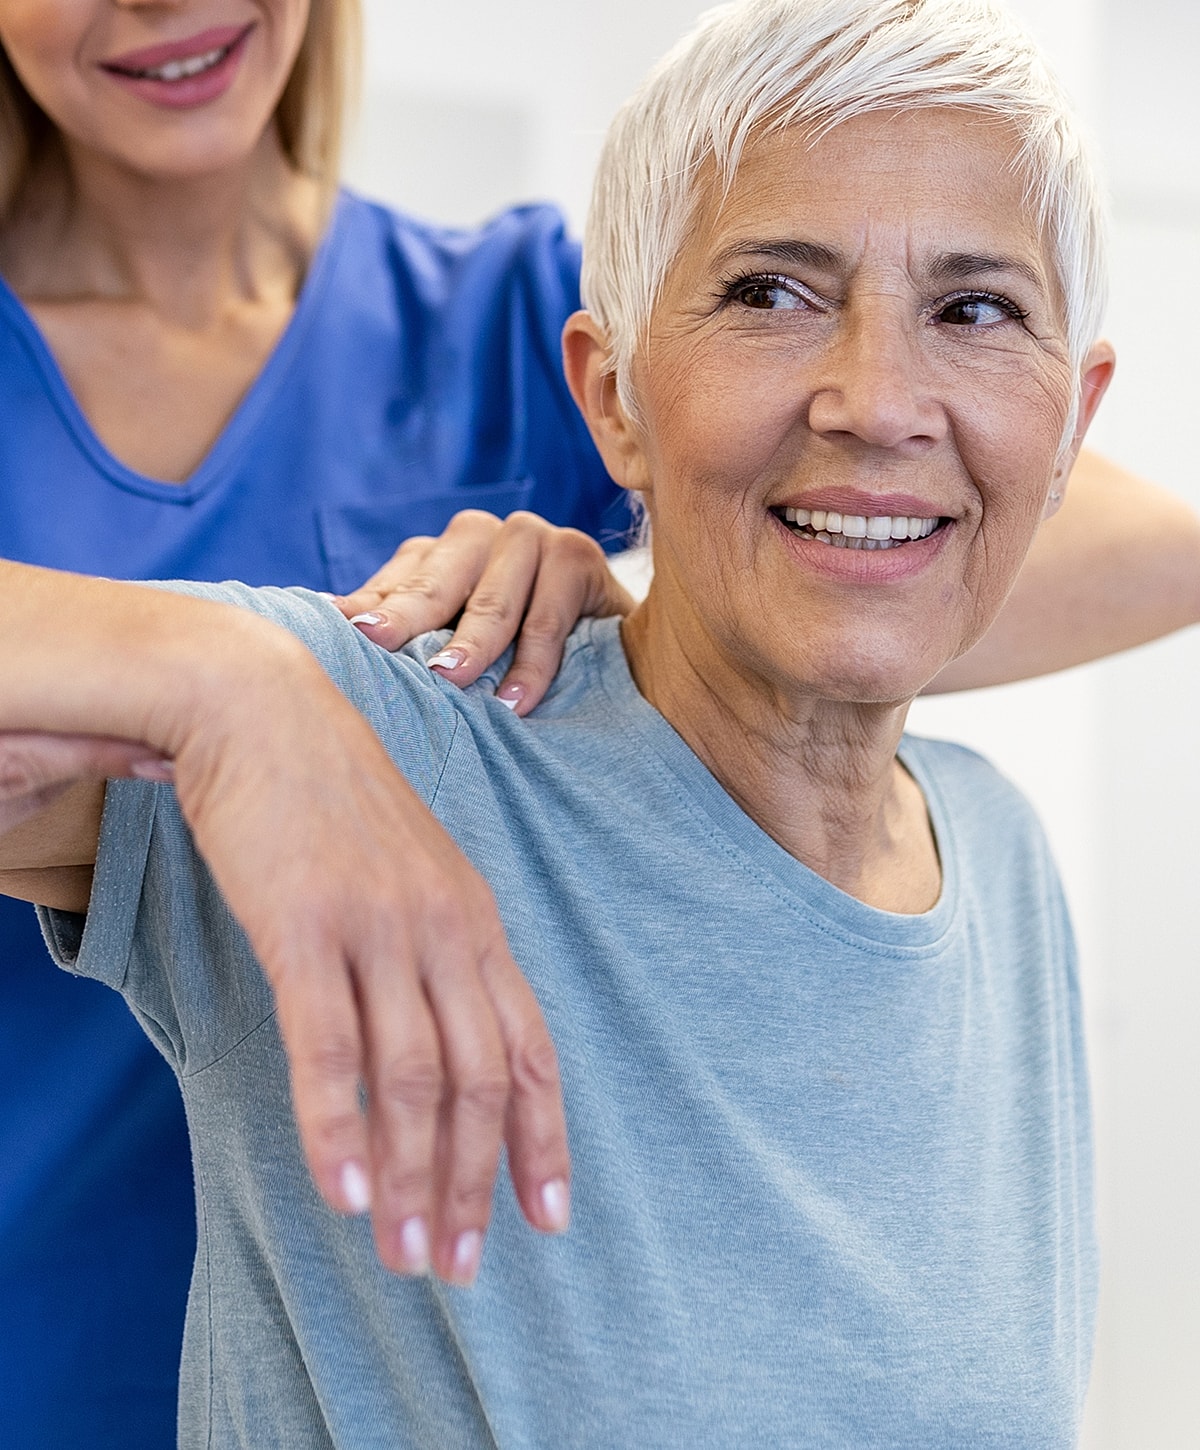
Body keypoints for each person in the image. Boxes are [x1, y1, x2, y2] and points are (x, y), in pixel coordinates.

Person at [0, 2, 1195, 1444]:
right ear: (609, 400)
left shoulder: (996, 861)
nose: (878, 398)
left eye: (975, 309)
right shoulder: (363, 711)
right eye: (772, 292)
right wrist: (232, 688)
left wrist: (665, 580)